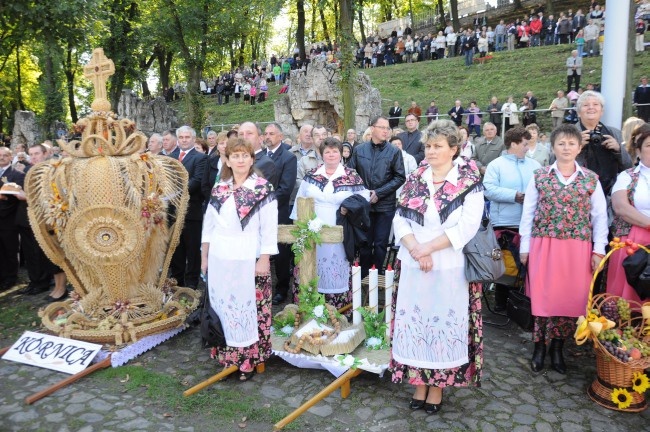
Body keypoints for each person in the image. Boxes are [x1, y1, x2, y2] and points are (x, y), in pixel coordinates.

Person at [389, 120, 484, 414]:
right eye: (428, 146)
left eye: (438, 146)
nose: (430, 151)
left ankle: (438, 387)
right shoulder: (416, 177)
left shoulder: (468, 179)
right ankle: (419, 383)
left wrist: (429, 247)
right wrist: (416, 248)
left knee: (442, 322)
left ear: (453, 149)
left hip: (448, 265)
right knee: (417, 323)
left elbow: (469, 225)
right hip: (414, 262)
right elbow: (399, 217)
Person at [520, 124, 608, 374]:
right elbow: (528, 213)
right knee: (542, 296)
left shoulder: (590, 179)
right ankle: (539, 346)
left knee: (569, 298)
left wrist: (598, 250)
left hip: (577, 247)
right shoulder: (540, 176)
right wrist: (524, 247)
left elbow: (600, 216)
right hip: (543, 244)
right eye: (561, 143)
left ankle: (558, 348)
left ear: (579, 147)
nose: (566, 148)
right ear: (553, 147)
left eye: (571, 143)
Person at [201, 137, 278, 381]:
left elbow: (269, 228)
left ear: (252, 158)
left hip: (249, 257)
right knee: (224, 307)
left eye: (245, 155)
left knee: (248, 310)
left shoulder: (262, 188)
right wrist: (204, 256)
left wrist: (264, 258)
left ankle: (248, 359)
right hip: (220, 257)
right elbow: (208, 226)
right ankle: (227, 357)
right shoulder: (219, 188)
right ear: (228, 160)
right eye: (236, 155)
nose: (241, 159)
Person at [291, 138, 368, 308]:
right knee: (311, 266)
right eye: (327, 151)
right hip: (312, 230)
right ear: (321, 154)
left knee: (337, 267)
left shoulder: (351, 176)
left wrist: (348, 207)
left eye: (335, 151)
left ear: (341, 154)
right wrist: (299, 225)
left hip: (341, 230)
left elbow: (364, 199)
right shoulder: (311, 175)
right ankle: (310, 309)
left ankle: (338, 311)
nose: (331, 154)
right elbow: (299, 200)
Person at [483, 127, 540, 311]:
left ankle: (522, 302)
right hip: (505, 223)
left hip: (530, 224)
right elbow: (488, 189)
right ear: (514, 144)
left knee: (526, 264)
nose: (527, 148)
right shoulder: (496, 165)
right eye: (524, 144)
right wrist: (515, 195)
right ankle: (501, 302)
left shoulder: (535, 166)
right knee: (506, 265)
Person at [348, 116, 405, 276]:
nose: (386, 131)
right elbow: (351, 174)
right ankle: (365, 276)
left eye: (388, 128)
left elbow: (400, 177)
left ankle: (378, 274)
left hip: (385, 206)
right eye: (382, 127)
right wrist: (364, 194)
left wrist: (379, 193)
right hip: (364, 206)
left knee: (380, 243)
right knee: (365, 242)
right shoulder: (359, 150)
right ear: (372, 128)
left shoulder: (394, 151)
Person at [608, 123, 650, 302]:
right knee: (629, 297)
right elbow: (621, 208)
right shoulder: (627, 176)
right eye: (649, 145)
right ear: (638, 151)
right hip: (633, 242)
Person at [169, 126, 208, 289]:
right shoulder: (170, 157)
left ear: (193, 139)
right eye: (181, 137)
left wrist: (172, 193)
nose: (184, 140)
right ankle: (177, 282)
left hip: (192, 211)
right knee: (176, 249)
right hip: (172, 212)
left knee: (192, 250)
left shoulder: (200, 158)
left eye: (187, 137)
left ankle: (191, 284)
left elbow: (197, 181)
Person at [574, 91, 633, 197]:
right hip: (577, 192)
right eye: (586, 105)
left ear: (602, 111)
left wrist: (618, 150)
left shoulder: (614, 133)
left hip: (610, 192)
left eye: (595, 104)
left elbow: (628, 167)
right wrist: (575, 147)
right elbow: (555, 162)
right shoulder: (568, 134)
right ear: (578, 112)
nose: (591, 107)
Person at [264, 123, 297, 305]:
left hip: (279, 210)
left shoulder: (288, 158)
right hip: (258, 213)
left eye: (272, 133)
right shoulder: (259, 156)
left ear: (280, 136)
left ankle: (282, 289)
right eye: (266, 133)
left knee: (281, 253)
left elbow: (285, 189)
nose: (267, 136)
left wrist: (263, 202)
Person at [0, 146, 26, 291]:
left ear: (11, 157)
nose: (1, 157)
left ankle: (11, 277)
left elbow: (16, 196)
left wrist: (4, 196)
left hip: (8, 218)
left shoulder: (17, 174)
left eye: (5, 155)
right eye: (0, 155)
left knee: (10, 249)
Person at [238, 122, 278, 188]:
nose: (244, 137)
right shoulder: (233, 162)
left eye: (249, 133)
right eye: (241, 134)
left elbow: (261, 193)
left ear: (260, 139)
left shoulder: (266, 164)